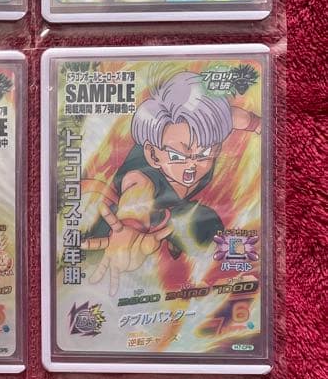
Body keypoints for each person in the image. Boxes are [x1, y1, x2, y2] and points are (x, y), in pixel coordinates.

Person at [82, 70, 261, 296]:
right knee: (198, 222)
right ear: (153, 155)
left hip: (166, 220)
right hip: (110, 238)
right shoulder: (141, 178)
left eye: (205, 153)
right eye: (178, 156)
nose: (192, 165)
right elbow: (136, 196)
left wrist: (260, 125)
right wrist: (129, 229)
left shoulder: (209, 131)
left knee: (205, 223)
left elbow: (234, 118)